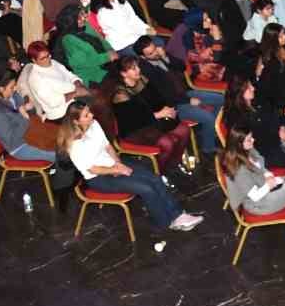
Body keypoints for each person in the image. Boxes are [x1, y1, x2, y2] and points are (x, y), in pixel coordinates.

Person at [61, 99, 201, 233]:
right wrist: (116, 169)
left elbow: (108, 146)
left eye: (89, 111)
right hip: (98, 178)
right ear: (76, 121)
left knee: (154, 178)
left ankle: (178, 215)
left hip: (112, 164)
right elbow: (92, 169)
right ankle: (164, 223)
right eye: (86, 115)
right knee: (146, 189)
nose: (91, 115)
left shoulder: (94, 124)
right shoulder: (74, 144)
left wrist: (118, 163)